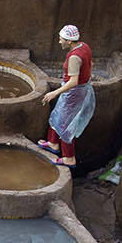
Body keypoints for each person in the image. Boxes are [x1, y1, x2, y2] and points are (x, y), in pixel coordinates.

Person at [38, 24, 95, 169]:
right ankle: (53, 143)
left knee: (65, 124)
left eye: (61, 39)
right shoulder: (84, 46)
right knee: (58, 116)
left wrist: (55, 92)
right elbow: (91, 64)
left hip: (74, 92)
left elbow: (73, 81)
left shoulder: (74, 57)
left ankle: (69, 158)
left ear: (69, 41)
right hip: (81, 89)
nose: (59, 42)